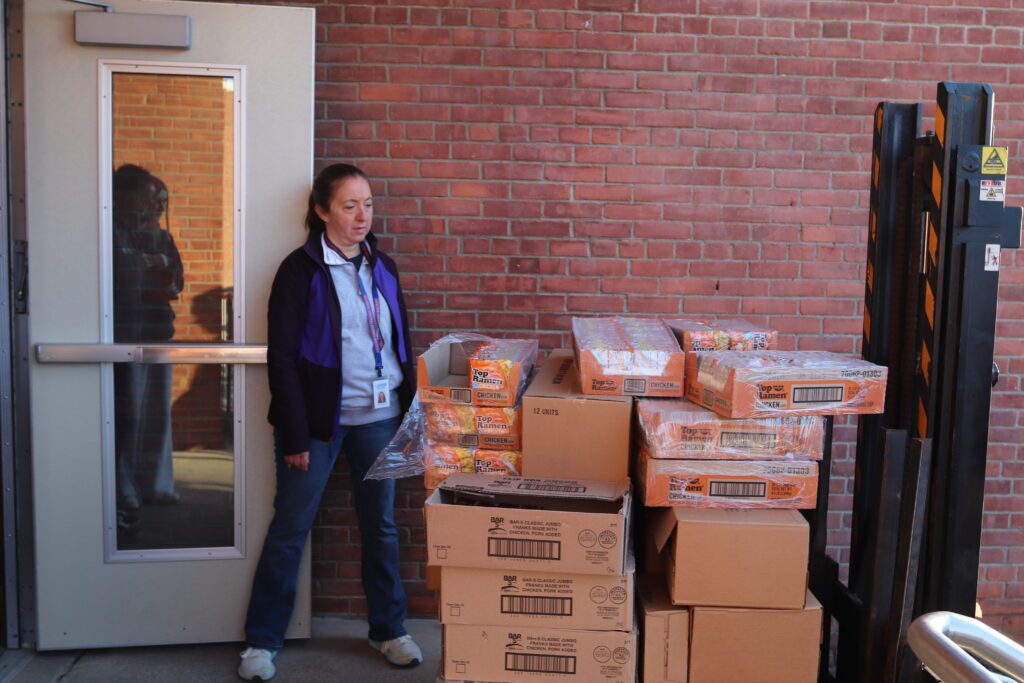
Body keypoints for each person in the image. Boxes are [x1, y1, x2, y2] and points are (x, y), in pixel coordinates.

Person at [239, 164, 420, 681]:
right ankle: (261, 642)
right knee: (292, 527)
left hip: (379, 420)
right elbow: (283, 359)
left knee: (381, 526)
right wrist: (295, 435)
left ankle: (389, 630)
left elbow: (400, 338)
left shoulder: (381, 266)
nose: (362, 215)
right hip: (319, 424)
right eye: (349, 205)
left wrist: (409, 414)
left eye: (367, 203)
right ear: (321, 211)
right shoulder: (299, 271)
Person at [111, 164, 184, 543]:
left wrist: (162, 272)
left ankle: (155, 484)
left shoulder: (161, 236)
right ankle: (124, 489)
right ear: (125, 197)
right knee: (125, 417)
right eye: (148, 196)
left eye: (159, 199)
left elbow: (176, 282)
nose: (155, 206)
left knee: (155, 413)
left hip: (157, 333)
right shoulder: (114, 233)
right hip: (121, 338)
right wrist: (141, 269)